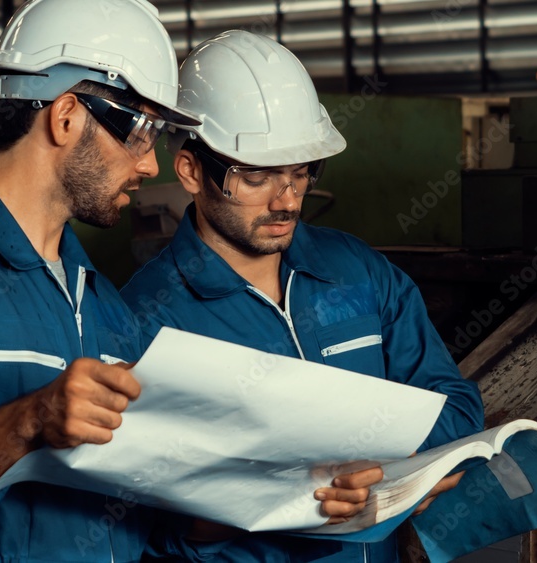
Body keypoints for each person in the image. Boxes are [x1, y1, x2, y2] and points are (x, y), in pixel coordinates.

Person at [0, 3, 373, 561]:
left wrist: (300, 495)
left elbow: (151, 525)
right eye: (142, 133)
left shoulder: (102, 305)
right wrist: (29, 419)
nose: (151, 168)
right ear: (66, 115)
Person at [121, 30, 486, 562]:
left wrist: (397, 472)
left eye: (300, 173)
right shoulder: (146, 318)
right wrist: (279, 500)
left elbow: (453, 404)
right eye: (257, 178)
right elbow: (134, 518)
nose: (286, 200)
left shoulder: (358, 271)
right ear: (192, 170)